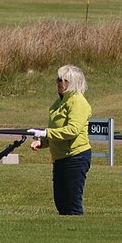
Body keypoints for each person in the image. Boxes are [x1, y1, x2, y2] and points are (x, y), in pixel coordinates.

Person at [27, 64, 93, 215]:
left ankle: (76, 227)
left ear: (73, 83)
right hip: (60, 158)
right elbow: (56, 130)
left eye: (64, 80)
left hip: (75, 156)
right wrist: (42, 142)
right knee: (61, 202)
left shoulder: (78, 102)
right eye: (58, 79)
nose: (59, 83)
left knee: (72, 203)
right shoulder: (58, 103)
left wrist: (46, 133)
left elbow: (72, 130)